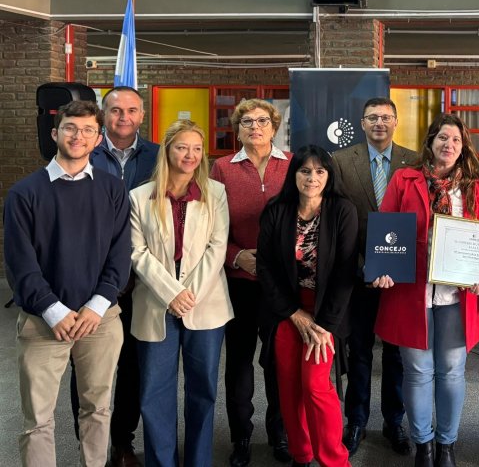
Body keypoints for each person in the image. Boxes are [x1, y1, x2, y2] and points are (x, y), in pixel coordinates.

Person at [4, 100, 131, 467]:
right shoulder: (24, 194)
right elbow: (20, 265)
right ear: (56, 133)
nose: (79, 136)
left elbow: (120, 255)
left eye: (88, 130)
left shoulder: (112, 189)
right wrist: (54, 310)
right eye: (72, 128)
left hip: (100, 320)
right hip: (43, 321)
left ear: (98, 139)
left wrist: (96, 306)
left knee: (97, 409)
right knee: (38, 420)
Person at [373, 113, 479, 467]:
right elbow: (386, 229)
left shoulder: (473, 188)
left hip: (457, 295)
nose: (448, 145)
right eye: (442, 138)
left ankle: (446, 444)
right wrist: (383, 269)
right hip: (412, 293)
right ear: (431, 142)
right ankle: (422, 443)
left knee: (452, 369)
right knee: (418, 371)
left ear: (463, 146)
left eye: (455, 139)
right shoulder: (404, 179)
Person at [129, 120, 233, 467]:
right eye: (181, 147)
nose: (189, 155)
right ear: (167, 150)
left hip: (205, 305)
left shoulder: (215, 192)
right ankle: (162, 462)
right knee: (154, 393)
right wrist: (171, 293)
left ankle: (199, 461)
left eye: (196, 148)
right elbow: (136, 252)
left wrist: (187, 294)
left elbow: (218, 247)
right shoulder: (139, 197)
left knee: (202, 390)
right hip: (155, 305)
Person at [256, 145, 357, 467]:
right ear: (294, 174)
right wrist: (292, 313)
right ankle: (302, 455)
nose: (312, 178)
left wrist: (324, 325)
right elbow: (266, 268)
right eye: (304, 171)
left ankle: (334, 460)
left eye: (319, 171)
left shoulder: (342, 210)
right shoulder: (277, 209)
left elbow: (345, 271)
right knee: (288, 387)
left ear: (329, 175)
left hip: (327, 313)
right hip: (287, 311)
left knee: (315, 385)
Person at [78, 85, 159, 467]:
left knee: (131, 367)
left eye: (131, 110)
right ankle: (88, 442)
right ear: (102, 115)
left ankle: (122, 441)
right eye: (115, 110)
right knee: (88, 366)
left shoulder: (160, 157)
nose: (123, 117)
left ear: (142, 115)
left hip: (143, 282)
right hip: (91, 282)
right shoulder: (83, 154)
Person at [332, 97, 417, 457]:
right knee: (360, 350)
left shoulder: (413, 162)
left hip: (401, 275)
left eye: (386, 117)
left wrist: (396, 267)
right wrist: (365, 265)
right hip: (358, 273)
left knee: (396, 353)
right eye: (372, 117)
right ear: (362, 123)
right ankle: (356, 420)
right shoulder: (340, 162)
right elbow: (337, 218)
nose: (379, 122)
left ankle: (394, 421)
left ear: (396, 122)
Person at [210, 99, 292, 466]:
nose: (255, 127)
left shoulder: (292, 166)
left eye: (262, 121)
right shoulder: (221, 168)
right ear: (237, 128)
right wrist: (234, 256)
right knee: (239, 363)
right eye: (247, 121)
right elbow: (208, 226)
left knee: (278, 362)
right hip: (238, 281)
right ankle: (241, 436)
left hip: (281, 285)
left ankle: (280, 433)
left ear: (274, 127)